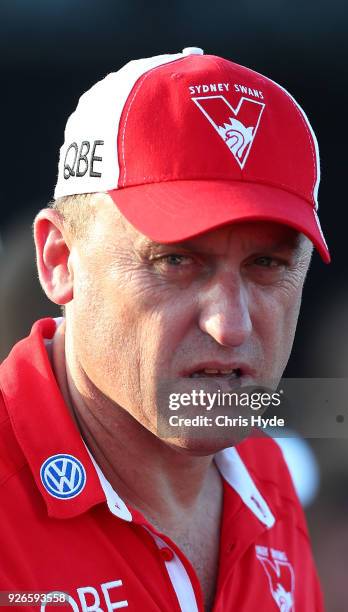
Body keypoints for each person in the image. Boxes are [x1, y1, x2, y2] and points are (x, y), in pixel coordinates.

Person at [0, 47, 330, 611]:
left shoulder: (265, 473)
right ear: (60, 260)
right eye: (176, 261)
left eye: (267, 265)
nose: (230, 324)